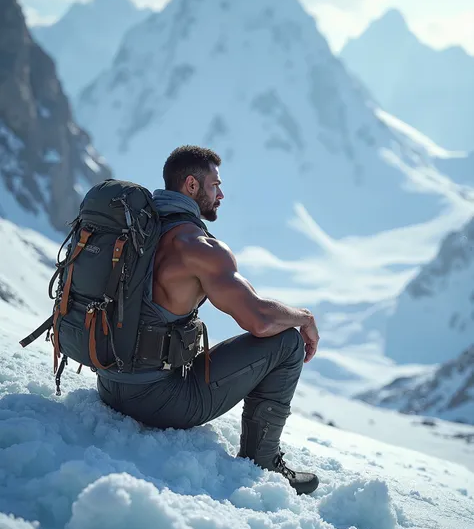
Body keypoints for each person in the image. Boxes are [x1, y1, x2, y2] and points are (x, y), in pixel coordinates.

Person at [97, 146, 320, 494]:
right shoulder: (197, 245)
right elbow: (259, 320)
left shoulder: (135, 229)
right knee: (287, 341)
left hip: (110, 384)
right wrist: (304, 318)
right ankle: (263, 462)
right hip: (159, 402)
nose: (221, 194)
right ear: (191, 185)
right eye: (215, 185)